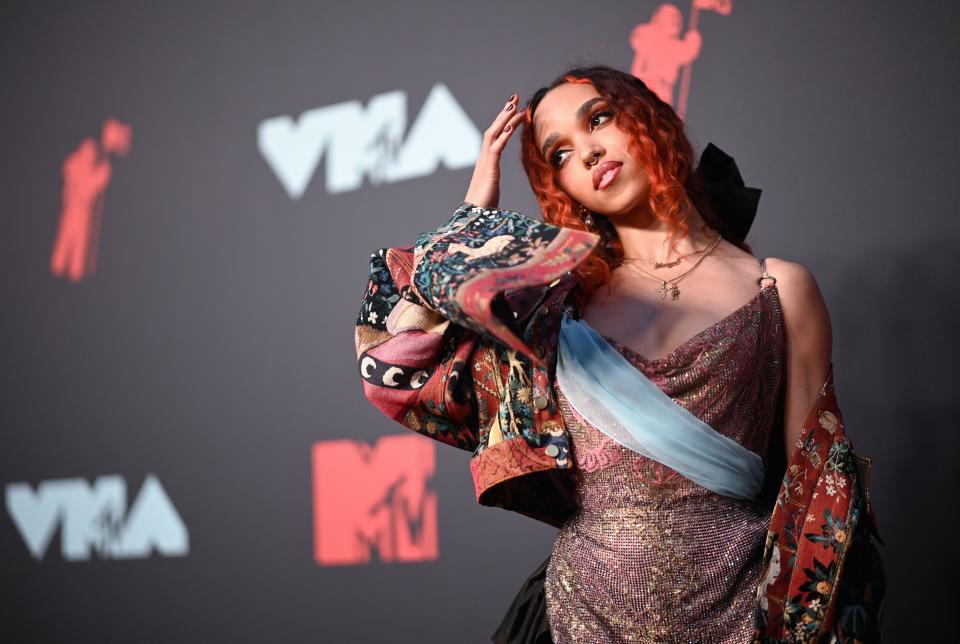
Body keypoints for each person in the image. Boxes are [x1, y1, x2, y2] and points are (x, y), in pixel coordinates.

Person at [354, 65, 885, 642]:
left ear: (648, 119)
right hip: (575, 617)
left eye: (599, 119)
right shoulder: (552, 308)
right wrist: (467, 228)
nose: (586, 153)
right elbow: (396, 364)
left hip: (741, 617)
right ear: (561, 188)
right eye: (559, 154)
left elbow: (817, 500)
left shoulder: (780, 289)